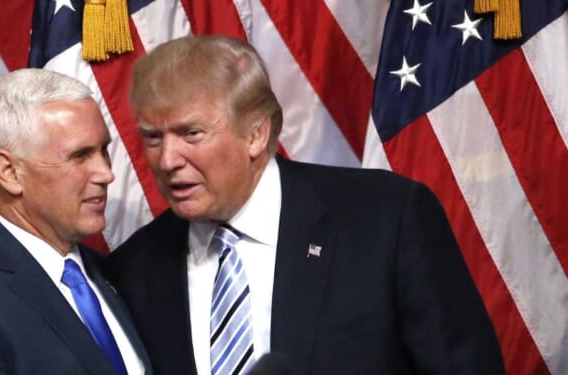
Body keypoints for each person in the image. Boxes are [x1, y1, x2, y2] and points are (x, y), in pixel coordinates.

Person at [104, 35, 504, 374]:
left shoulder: (386, 219)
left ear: (256, 134)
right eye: (153, 138)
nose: (167, 159)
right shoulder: (134, 268)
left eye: (191, 133)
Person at [0, 68, 151, 374]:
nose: (106, 173)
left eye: (103, 151)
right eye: (80, 156)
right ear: (9, 173)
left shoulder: (110, 273)